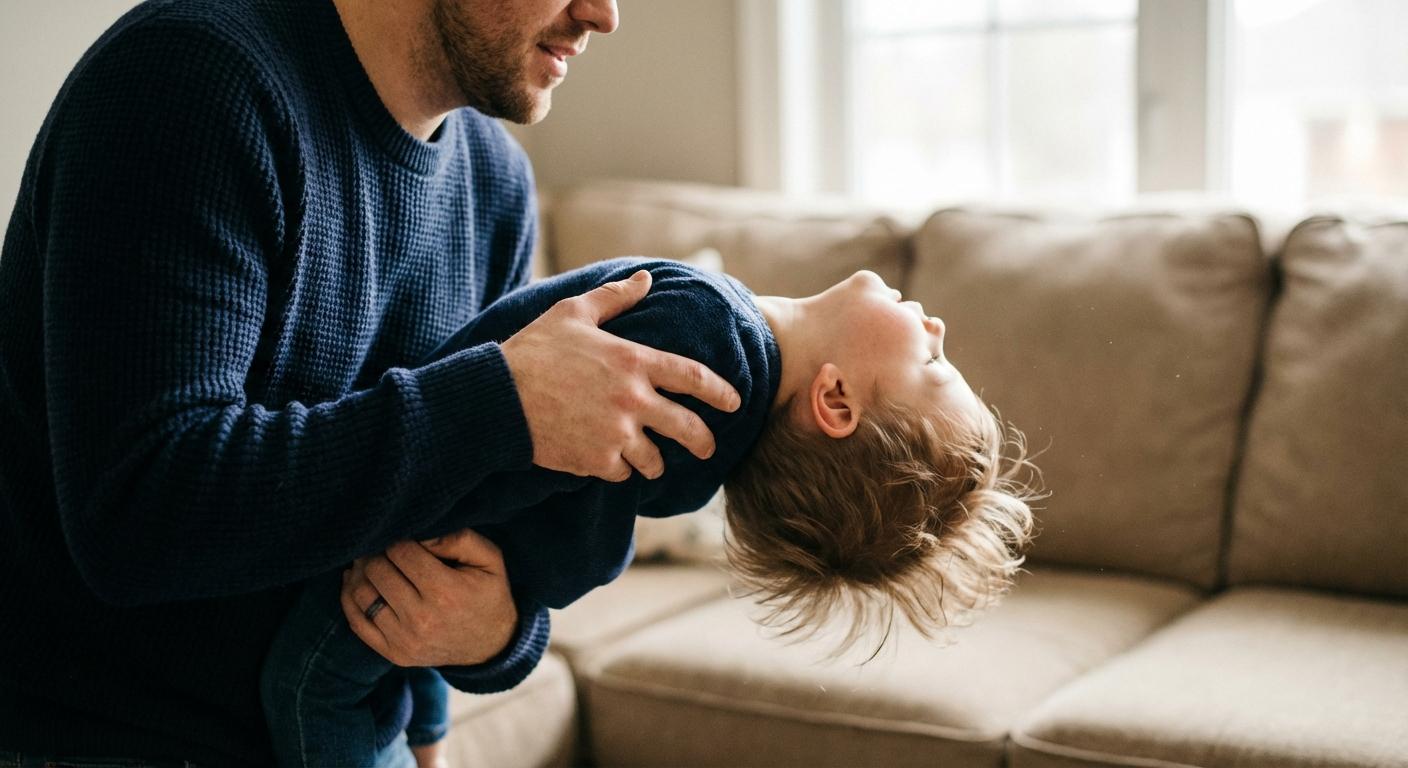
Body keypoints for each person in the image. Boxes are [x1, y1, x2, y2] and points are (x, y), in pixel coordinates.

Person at [0, 0, 753, 765]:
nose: (604, 13)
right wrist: (501, 401)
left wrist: (496, 635)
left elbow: (440, 511)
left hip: (345, 728)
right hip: (113, 736)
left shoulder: (494, 183)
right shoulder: (188, 79)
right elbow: (139, 516)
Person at [260, 258, 1039, 767]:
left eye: (931, 363)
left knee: (311, 689)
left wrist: (416, 533)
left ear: (835, 399)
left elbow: (581, 513)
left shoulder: (713, 346)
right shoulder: (728, 357)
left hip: (399, 534)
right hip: (419, 517)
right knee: (394, 673)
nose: (936, 329)